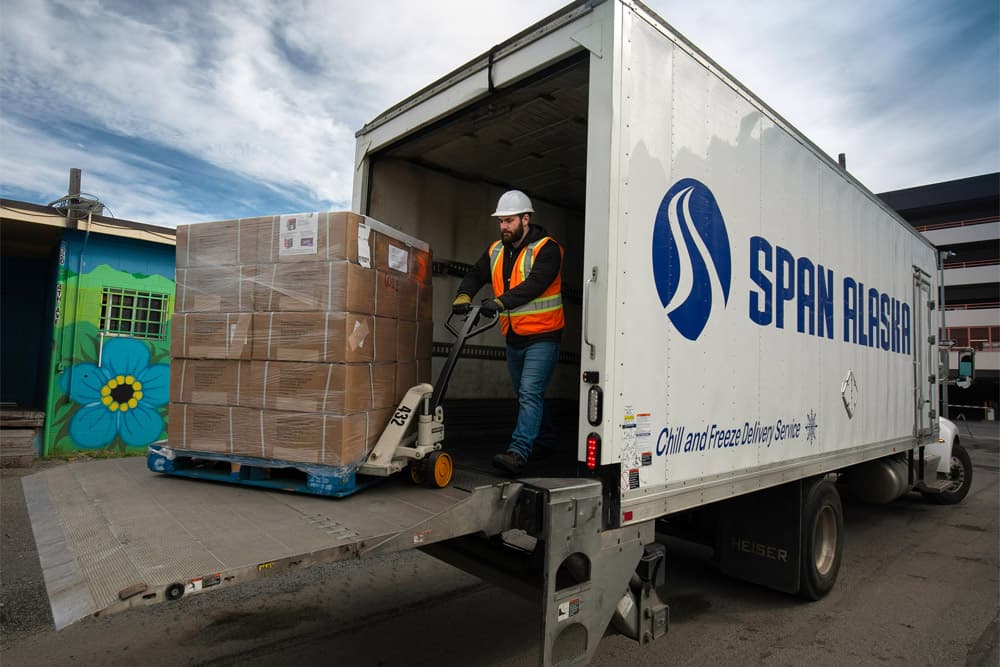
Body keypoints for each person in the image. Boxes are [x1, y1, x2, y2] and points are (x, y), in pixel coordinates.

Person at [452, 190, 564, 474]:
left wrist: (500, 302)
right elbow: (477, 274)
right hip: (514, 336)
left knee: (529, 392)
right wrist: (464, 295)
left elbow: (535, 284)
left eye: (509, 221)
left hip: (543, 335)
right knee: (528, 394)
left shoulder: (547, 249)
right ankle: (546, 439)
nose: (504, 227)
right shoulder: (496, 250)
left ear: (525, 220)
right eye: (501, 221)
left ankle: (519, 451)